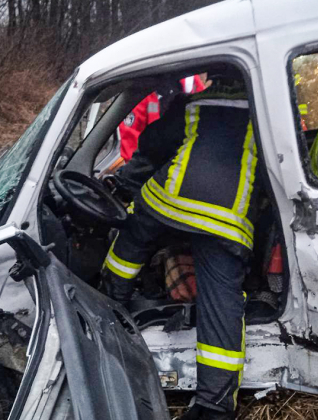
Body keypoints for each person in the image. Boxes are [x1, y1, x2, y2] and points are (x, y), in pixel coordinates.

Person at [103, 71, 258, 420]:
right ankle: (214, 406)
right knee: (221, 303)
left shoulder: (193, 105)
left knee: (133, 236)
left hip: (169, 201)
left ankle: (112, 301)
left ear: (216, 78)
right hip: (226, 219)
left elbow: (150, 148)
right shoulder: (265, 111)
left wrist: (124, 186)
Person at [118, 75, 207, 162]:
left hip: (188, 158)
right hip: (156, 161)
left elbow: (205, 120)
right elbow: (130, 143)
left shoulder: (191, 83)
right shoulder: (143, 89)